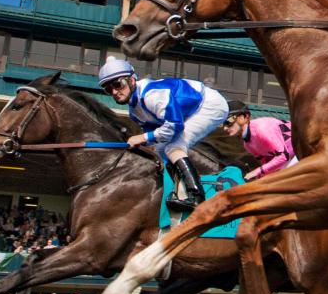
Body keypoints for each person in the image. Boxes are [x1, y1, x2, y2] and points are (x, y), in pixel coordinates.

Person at [97, 57, 230, 210]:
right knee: (161, 150)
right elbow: (155, 137)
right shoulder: (134, 111)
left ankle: (196, 196)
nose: (114, 92)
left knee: (174, 146)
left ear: (132, 80)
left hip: (209, 104)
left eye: (117, 84)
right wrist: (141, 143)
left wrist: (142, 137)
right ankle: (178, 191)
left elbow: (174, 126)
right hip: (188, 112)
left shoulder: (151, 95)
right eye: (108, 89)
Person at [221, 100, 296, 180]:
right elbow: (268, 164)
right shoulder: (247, 145)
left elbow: (284, 156)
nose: (225, 128)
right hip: (291, 155)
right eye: (223, 123)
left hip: (301, 150)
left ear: (245, 117)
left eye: (228, 122)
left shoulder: (262, 129)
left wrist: (256, 172)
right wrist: (259, 175)